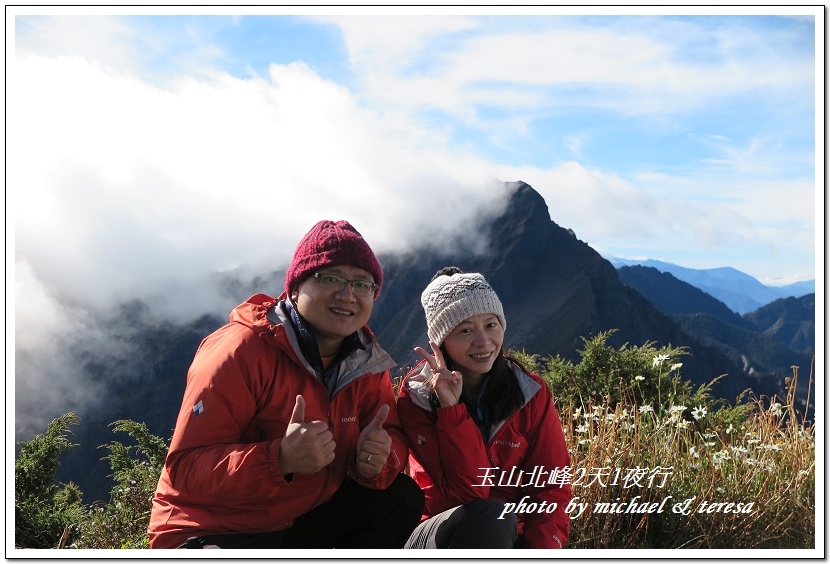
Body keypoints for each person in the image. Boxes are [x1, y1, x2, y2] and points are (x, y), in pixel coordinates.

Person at [148, 220, 424, 549]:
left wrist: (378, 457)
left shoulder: (365, 362)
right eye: (330, 278)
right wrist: (278, 459)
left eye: (363, 284)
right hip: (214, 528)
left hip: (296, 521)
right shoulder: (242, 350)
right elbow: (185, 470)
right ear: (295, 287)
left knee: (399, 498)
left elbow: (390, 432)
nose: (348, 294)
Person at [397, 267, 572, 549]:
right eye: (465, 330)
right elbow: (469, 493)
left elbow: (551, 488)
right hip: (439, 533)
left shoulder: (529, 394)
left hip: (507, 537)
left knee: (498, 520)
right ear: (440, 342)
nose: (483, 341)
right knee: (492, 516)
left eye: (491, 325)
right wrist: (451, 410)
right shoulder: (417, 398)